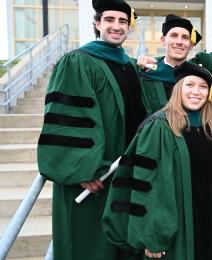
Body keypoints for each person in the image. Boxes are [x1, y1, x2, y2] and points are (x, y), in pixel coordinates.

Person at [36, 0, 145, 259]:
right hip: (91, 181)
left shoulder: (129, 66)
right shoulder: (78, 61)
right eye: (110, 20)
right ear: (97, 24)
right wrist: (83, 169)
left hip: (123, 176)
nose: (116, 26)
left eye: (122, 21)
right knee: (90, 248)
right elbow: (68, 118)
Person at [102, 62, 212, 260]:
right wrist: (152, 235)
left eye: (203, 87)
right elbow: (148, 184)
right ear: (177, 89)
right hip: (174, 234)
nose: (197, 92)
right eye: (190, 85)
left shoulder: (209, 130)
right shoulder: (159, 127)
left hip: (207, 226)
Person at [138, 14, 203, 115]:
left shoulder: (199, 76)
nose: (179, 42)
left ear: (191, 45)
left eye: (185, 37)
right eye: (174, 35)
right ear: (163, 41)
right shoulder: (147, 74)